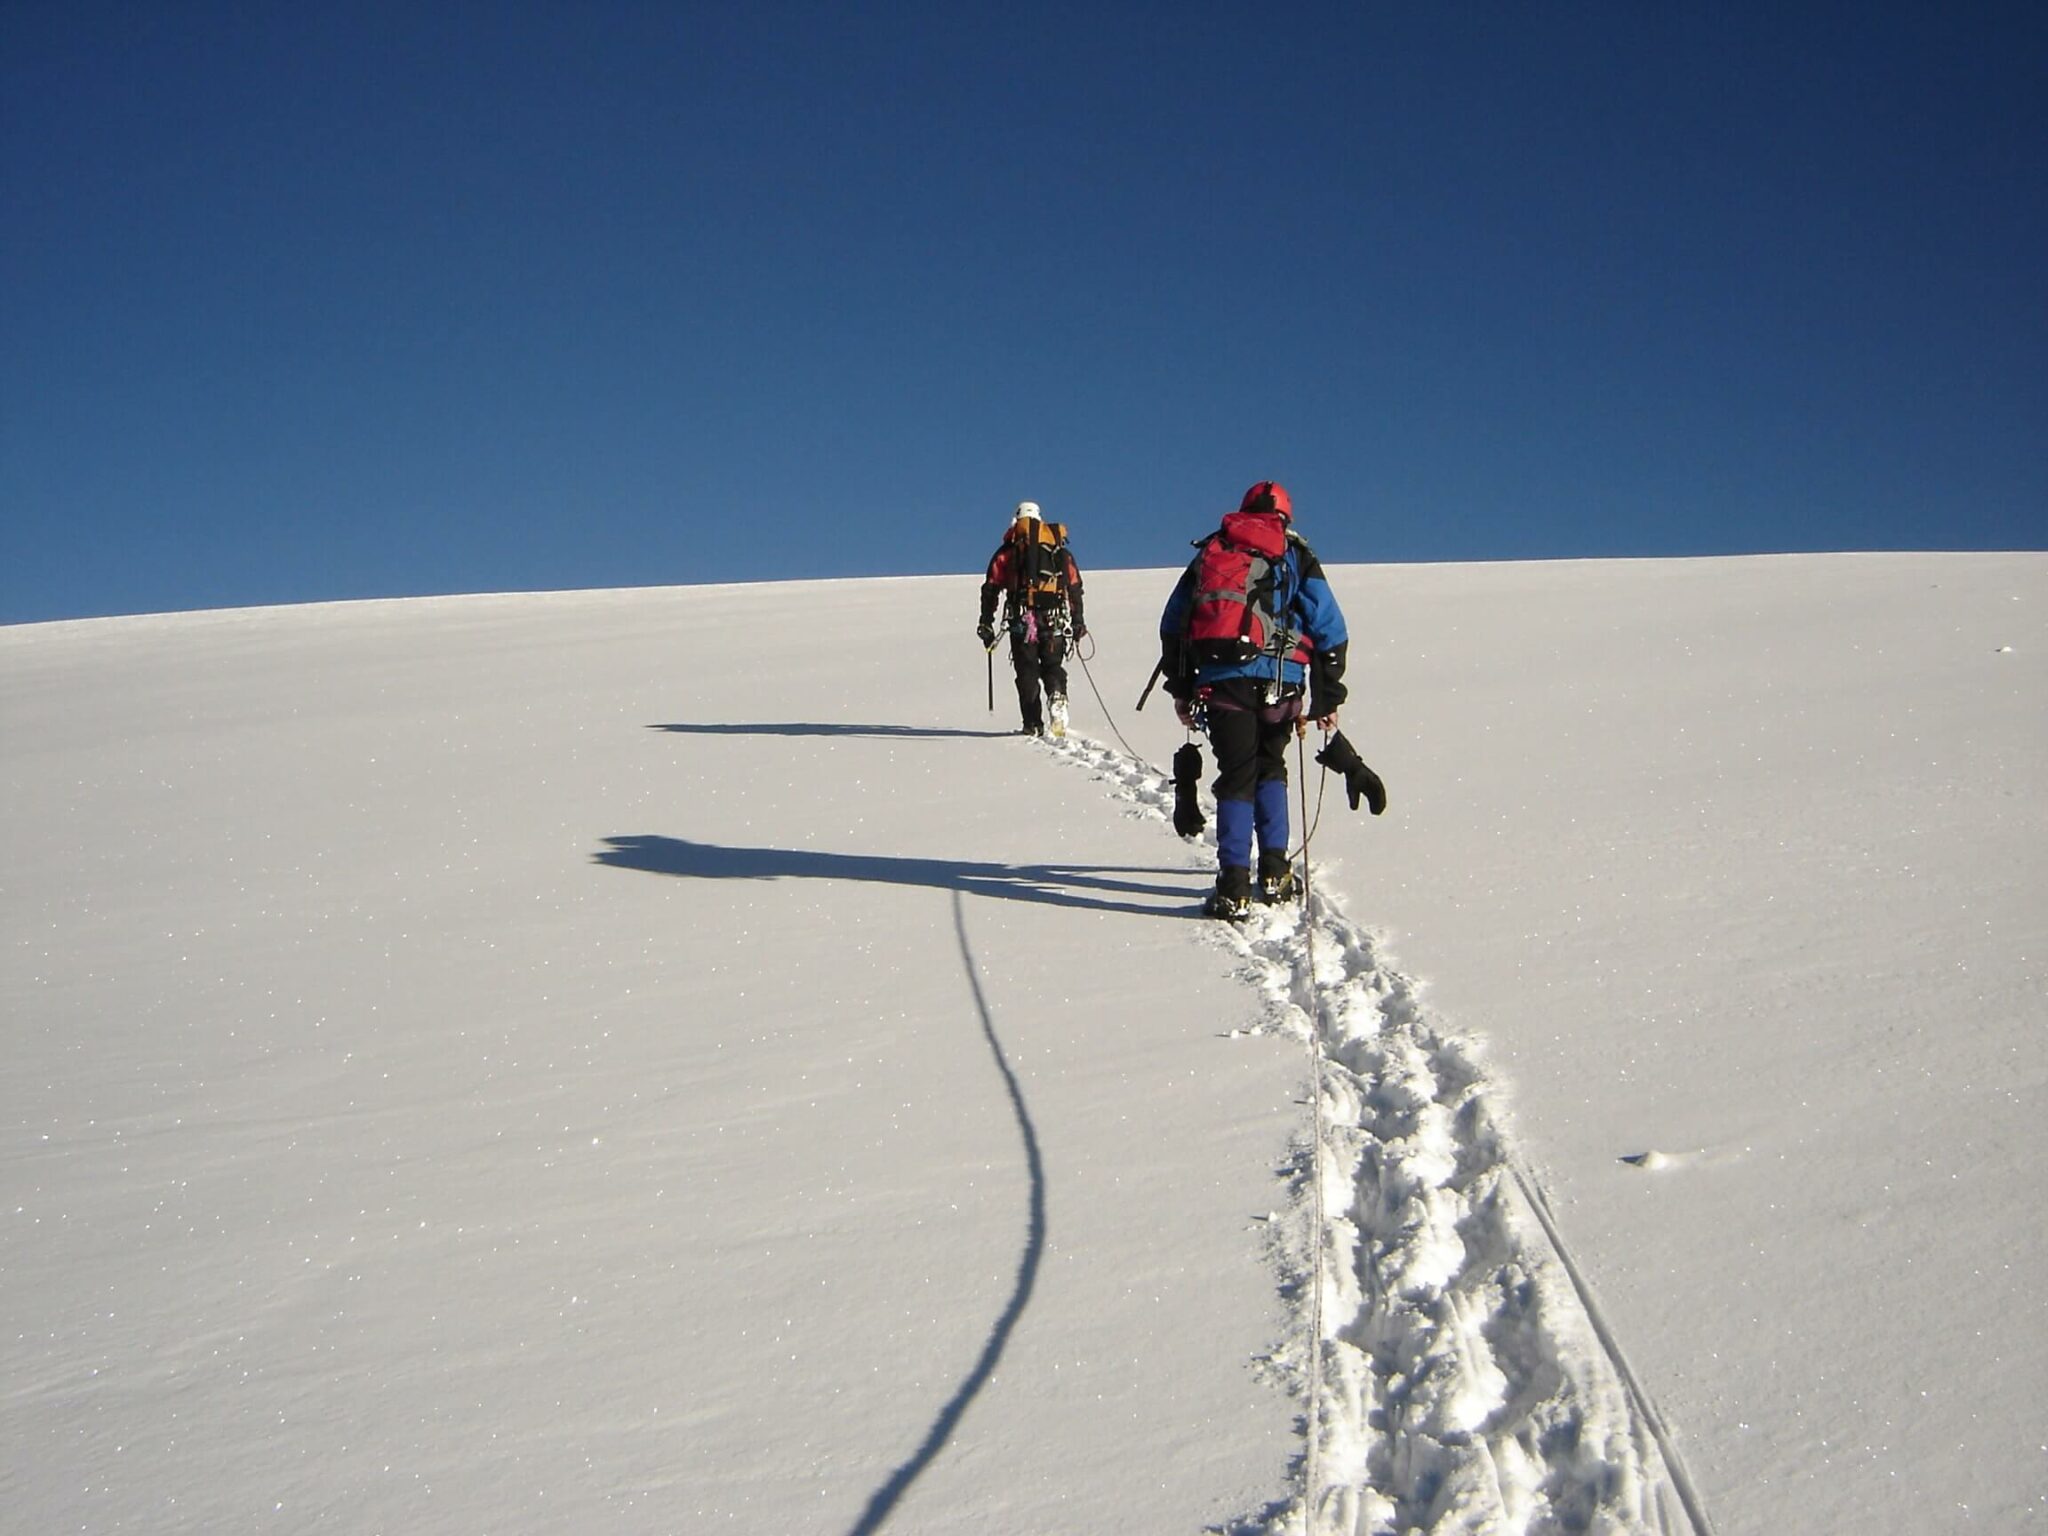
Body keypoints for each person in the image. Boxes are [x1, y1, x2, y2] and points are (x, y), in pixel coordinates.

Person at [1158, 480, 1349, 919]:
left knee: (1236, 775)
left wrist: (1182, 688)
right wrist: (1329, 694)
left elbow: (1174, 625)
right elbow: (1329, 626)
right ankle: (1276, 874)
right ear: (1285, 515)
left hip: (1221, 682)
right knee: (1271, 766)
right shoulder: (1294, 552)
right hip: (1281, 683)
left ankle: (1233, 887)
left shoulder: (1212, 551)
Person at [977, 501, 1087, 737]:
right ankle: (1057, 695)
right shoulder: (1059, 550)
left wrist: (986, 622)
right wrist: (1078, 620)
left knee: (1026, 671)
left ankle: (1032, 723)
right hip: (1054, 619)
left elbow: (991, 588)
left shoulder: (1008, 552)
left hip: (1022, 620)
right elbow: (1075, 587)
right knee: (1052, 665)